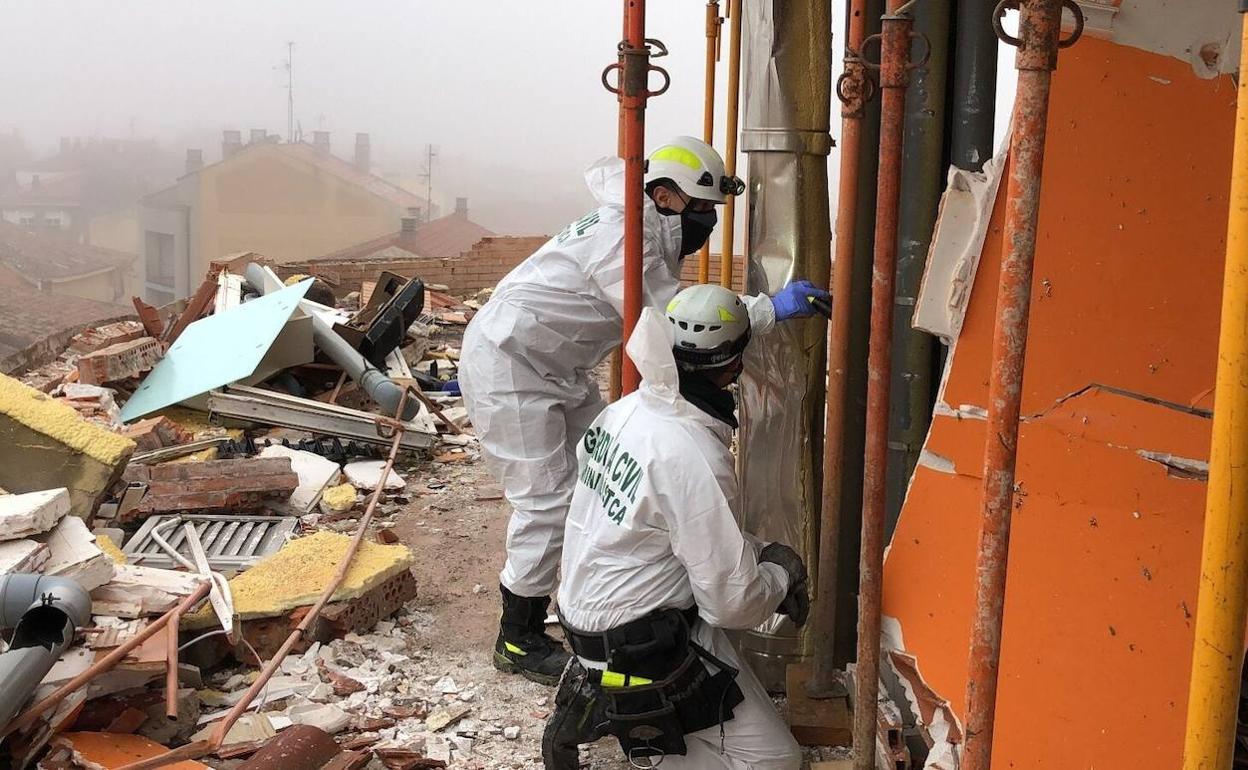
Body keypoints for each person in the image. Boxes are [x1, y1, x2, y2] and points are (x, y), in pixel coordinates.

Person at [458, 136, 828, 685]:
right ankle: (519, 636)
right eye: (701, 210)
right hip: (511, 367)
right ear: (665, 195)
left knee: (602, 472)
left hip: (553, 365)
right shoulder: (623, 239)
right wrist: (767, 310)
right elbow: (669, 321)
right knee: (545, 499)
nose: (706, 223)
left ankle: (590, 597)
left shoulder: (640, 225)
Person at [543, 284, 809, 770]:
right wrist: (781, 572)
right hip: (642, 642)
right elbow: (733, 604)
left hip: (588, 615)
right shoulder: (693, 451)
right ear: (732, 367)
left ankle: (623, 711)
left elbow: (664, 523)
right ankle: (637, 728)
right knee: (776, 762)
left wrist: (757, 551)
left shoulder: (624, 412)